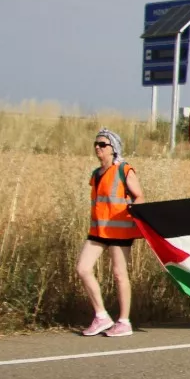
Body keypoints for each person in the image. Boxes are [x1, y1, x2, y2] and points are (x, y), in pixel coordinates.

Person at [78, 128, 143, 338]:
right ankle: (101, 316)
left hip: (120, 230)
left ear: (113, 148)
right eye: (96, 144)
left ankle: (124, 321)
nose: (98, 148)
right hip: (98, 229)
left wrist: (135, 215)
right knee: (82, 268)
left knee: (119, 274)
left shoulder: (124, 170)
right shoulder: (96, 174)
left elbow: (139, 196)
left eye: (102, 144)